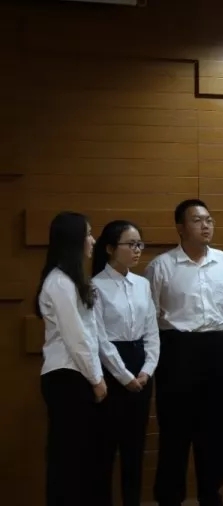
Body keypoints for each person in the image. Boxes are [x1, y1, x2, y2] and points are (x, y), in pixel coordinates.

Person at [146, 199, 223, 506]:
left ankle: (211, 494)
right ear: (180, 228)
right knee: (175, 430)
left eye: (209, 220)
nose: (206, 225)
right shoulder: (161, 266)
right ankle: (170, 498)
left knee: (217, 428)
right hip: (177, 351)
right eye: (197, 220)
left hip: (218, 349)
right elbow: (147, 315)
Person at [36, 211, 133, 506]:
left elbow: (91, 334)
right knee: (68, 458)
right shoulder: (59, 282)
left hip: (77, 374)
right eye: (88, 234)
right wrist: (97, 378)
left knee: (82, 456)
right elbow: (76, 337)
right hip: (67, 376)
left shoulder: (72, 280)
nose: (92, 240)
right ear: (73, 239)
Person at [91, 220, 160, 506]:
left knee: (135, 447)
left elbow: (152, 332)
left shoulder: (142, 284)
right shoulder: (95, 286)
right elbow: (99, 338)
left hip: (140, 365)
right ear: (110, 248)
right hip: (110, 368)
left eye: (139, 244)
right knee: (105, 447)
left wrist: (146, 371)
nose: (137, 250)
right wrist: (124, 376)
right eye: (130, 244)